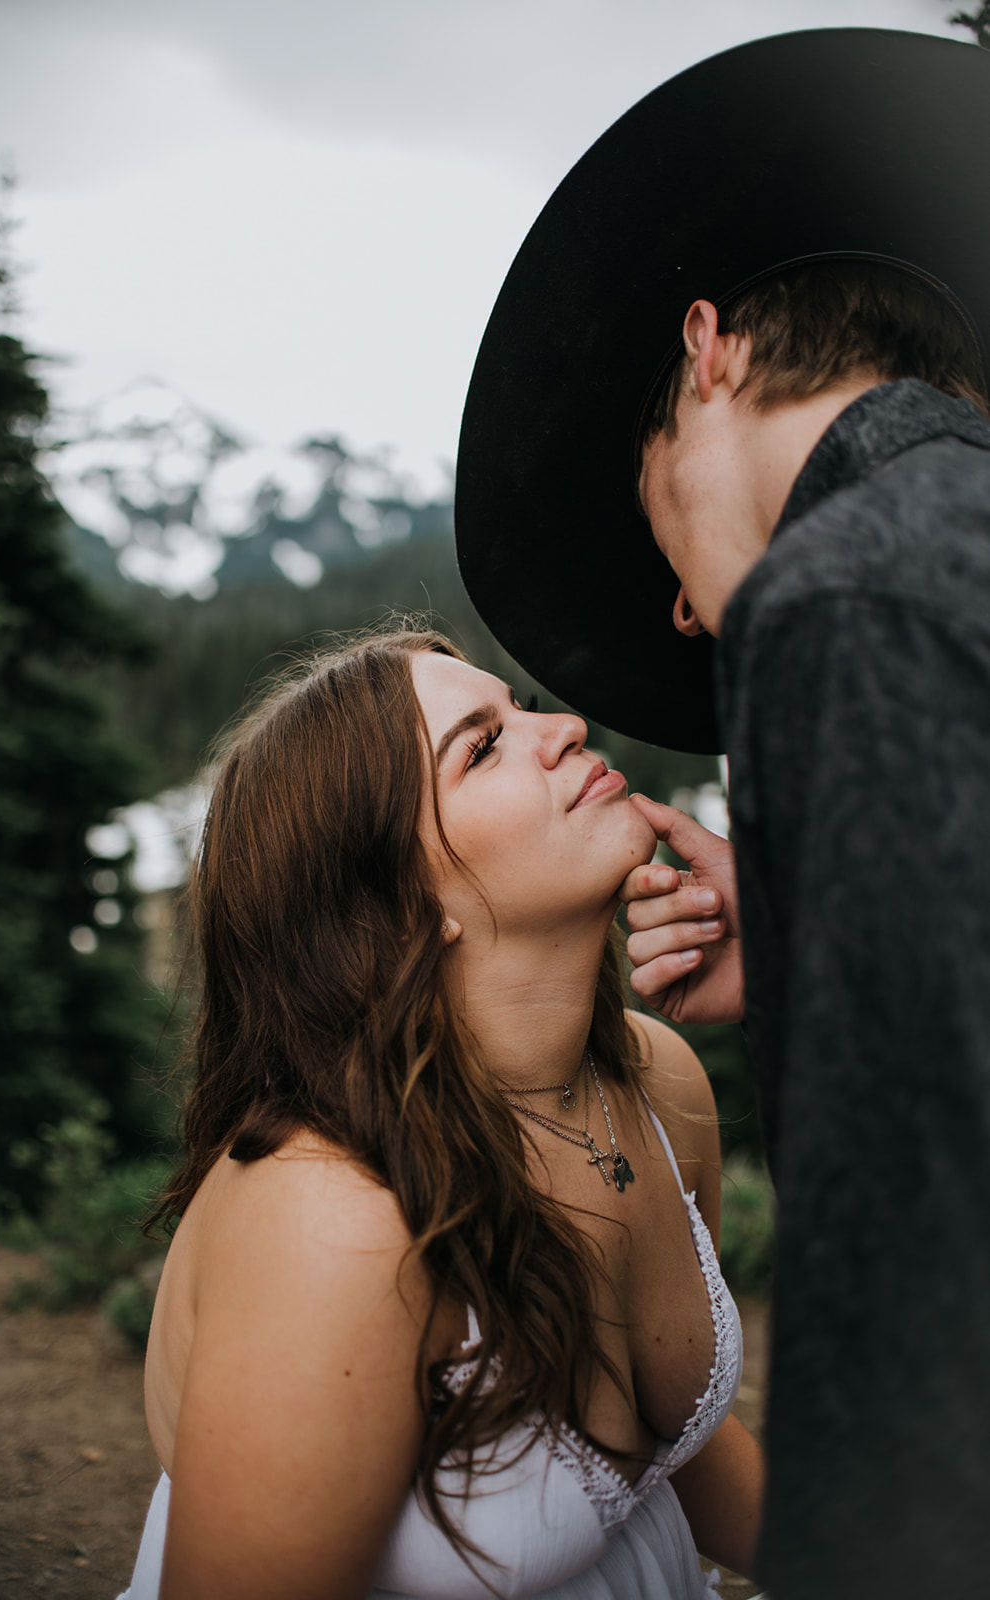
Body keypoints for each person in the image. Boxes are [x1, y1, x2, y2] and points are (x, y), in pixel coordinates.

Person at [453, 27, 990, 1600]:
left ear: (709, 355)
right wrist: (823, 921)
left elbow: (922, 1267)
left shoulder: (845, 591)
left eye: (650, 507)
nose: (684, 620)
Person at [117, 627, 764, 1600]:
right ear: (401, 905)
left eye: (520, 708)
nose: (563, 728)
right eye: (483, 744)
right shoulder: (336, 1219)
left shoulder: (656, 1081)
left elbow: (684, 1454)